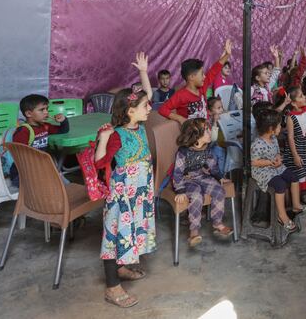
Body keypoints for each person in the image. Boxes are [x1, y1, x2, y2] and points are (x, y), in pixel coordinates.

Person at [95, 76, 156, 308]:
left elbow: (147, 95)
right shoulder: (117, 135)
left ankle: (120, 269)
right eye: (144, 107)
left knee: (128, 234)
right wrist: (103, 139)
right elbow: (100, 162)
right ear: (130, 111)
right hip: (122, 197)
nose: (149, 107)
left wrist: (143, 72)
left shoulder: (138, 125)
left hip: (139, 195)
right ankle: (112, 288)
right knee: (113, 237)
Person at [172, 117, 232, 247]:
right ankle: (194, 231)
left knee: (219, 191)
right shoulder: (183, 152)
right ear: (196, 136)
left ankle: (217, 223)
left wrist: (219, 177)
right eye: (206, 131)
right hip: (186, 179)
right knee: (196, 195)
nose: (210, 133)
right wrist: (180, 190)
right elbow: (177, 173)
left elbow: (212, 165)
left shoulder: (207, 148)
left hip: (201, 175)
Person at [250, 108, 306, 231]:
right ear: (271, 129)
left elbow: (277, 153)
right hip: (263, 171)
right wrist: (269, 162)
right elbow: (254, 162)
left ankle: (296, 205)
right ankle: (282, 216)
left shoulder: (273, 139)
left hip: (275, 167)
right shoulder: (257, 144)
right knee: (280, 185)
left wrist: (278, 159)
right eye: (278, 126)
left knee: (294, 177)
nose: (280, 128)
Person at [158, 40, 232, 123]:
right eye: (202, 74)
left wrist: (227, 55)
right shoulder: (181, 95)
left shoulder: (202, 87)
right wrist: (180, 118)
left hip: (206, 130)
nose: (204, 77)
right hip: (192, 134)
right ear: (192, 77)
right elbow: (162, 109)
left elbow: (213, 70)